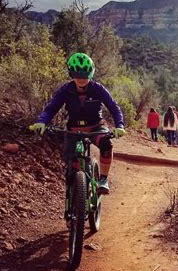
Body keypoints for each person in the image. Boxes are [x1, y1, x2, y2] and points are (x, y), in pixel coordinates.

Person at [30, 52, 125, 195]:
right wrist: (42, 122)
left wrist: (120, 125)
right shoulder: (65, 90)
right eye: (77, 76)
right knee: (71, 165)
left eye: (85, 76)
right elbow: (52, 107)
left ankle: (103, 180)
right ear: (71, 73)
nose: (81, 79)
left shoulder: (98, 89)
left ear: (91, 73)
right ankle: (74, 196)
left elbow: (113, 107)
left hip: (96, 128)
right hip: (73, 129)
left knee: (106, 144)